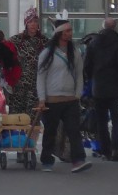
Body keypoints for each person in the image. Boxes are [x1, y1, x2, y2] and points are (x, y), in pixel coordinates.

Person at [36, 21, 90, 173]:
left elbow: (79, 74)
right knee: (50, 131)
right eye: (67, 30)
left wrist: (78, 94)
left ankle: (78, 160)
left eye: (70, 30)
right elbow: (41, 77)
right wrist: (41, 98)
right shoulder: (47, 53)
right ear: (59, 33)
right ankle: (47, 161)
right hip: (52, 99)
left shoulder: (75, 52)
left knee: (74, 131)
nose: (70, 33)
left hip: (71, 99)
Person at [82, 17, 118, 161]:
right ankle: (116, 150)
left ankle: (105, 150)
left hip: (98, 87)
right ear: (115, 27)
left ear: (103, 26)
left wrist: (90, 78)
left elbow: (86, 66)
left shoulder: (94, 43)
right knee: (117, 119)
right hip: (115, 87)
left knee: (101, 120)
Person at [7, 7, 47, 115]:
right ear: (26, 23)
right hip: (18, 87)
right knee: (16, 118)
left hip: (36, 87)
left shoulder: (44, 41)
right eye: (30, 22)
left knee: (33, 120)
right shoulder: (16, 40)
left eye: (35, 21)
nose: (33, 24)